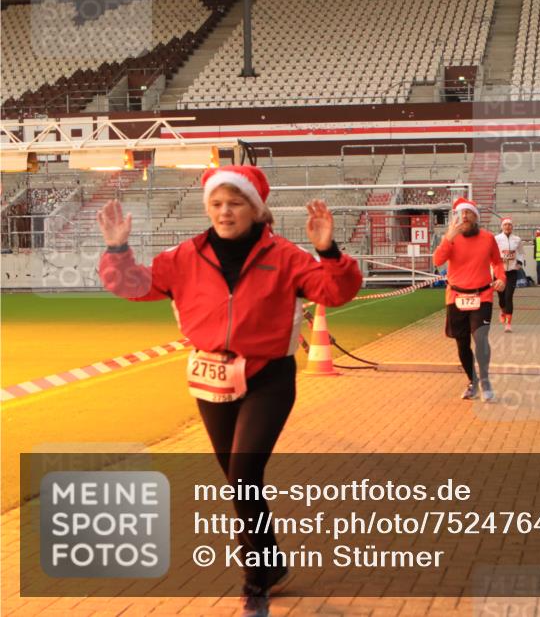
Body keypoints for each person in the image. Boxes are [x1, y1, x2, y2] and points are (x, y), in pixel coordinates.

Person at [96, 165, 363, 616]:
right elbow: (133, 285)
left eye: (235, 203)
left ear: (255, 210)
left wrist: (328, 250)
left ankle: (255, 578)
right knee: (239, 481)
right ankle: (272, 563)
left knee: (242, 475)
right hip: (210, 377)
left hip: (268, 378)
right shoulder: (184, 256)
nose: (225, 211)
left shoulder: (285, 256)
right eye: (217, 204)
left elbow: (336, 292)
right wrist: (118, 248)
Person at [433, 197, 505, 402]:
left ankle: (485, 380)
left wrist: (501, 278)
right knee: (462, 343)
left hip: (481, 295)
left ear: (476, 217)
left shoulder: (487, 238)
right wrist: (448, 238)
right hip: (456, 296)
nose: (464, 217)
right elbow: (437, 261)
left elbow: (497, 262)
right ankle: (472, 380)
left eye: (468, 213)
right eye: (461, 214)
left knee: (480, 337)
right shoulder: (451, 238)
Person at [495, 217, 523, 332]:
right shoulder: (496, 239)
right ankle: (502, 310)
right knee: (501, 298)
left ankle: (508, 324)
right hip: (500, 272)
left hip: (512, 271)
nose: (507, 227)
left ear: (512, 227)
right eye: (505, 225)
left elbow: (521, 252)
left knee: (508, 297)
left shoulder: (517, 239)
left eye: (509, 225)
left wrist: (520, 262)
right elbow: (492, 253)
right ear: (502, 227)